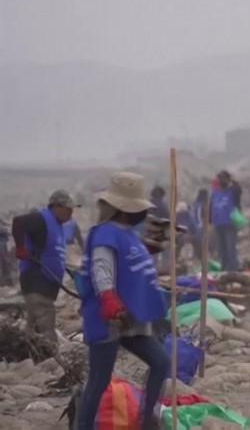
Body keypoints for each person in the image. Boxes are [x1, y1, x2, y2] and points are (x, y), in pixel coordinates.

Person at [75, 172, 169, 430]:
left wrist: (155, 244)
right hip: (109, 317)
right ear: (126, 209)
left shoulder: (128, 233)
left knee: (161, 362)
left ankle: (147, 420)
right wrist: (110, 301)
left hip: (131, 318)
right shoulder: (105, 234)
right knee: (99, 380)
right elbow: (102, 270)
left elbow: (131, 261)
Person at [11, 190, 77, 344]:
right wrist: (20, 247)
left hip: (46, 283)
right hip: (36, 279)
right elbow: (18, 222)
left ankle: (30, 354)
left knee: (33, 326)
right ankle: (52, 355)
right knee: (45, 323)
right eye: (68, 208)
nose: (71, 212)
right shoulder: (41, 218)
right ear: (57, 206)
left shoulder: (58, 225)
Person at [210, 171, 242, 271]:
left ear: (228, 179)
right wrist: (210, 221)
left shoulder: (232, 191)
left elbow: (238, 189)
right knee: (221, 248)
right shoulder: (215, 192)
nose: (220, 180)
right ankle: (224, 266)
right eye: (219, 178)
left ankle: (233, 267)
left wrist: (232, 180)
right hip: (218, 224)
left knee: (230, 247)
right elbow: (211, 206)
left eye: (223, 178)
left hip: (230, 224)